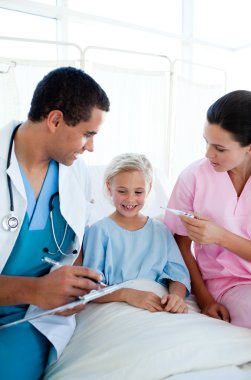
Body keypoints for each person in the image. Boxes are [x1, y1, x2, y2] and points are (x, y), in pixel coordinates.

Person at [0, 66, 110, 380]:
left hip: (29, 318)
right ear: (55, 120)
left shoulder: (76, 174)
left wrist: (68, 288)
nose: (90, 147)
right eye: (88, 134)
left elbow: (75, 244)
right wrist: (36, 289)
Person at [164, 90, 251, 329]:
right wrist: (205, 300)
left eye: (220, 148)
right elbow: (178, 246)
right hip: (228, 284)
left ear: (250, 148)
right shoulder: (193, 177)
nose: (208, 154)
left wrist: (219, 236)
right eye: (206, 141)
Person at [83, 153, 190, 313]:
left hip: (158, 303)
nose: (130, 199)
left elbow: (178, 276)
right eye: (122, 191)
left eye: (138, 192)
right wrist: (127, 294)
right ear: (108, 186)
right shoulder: (99, 231)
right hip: (117, 304)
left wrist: (176, 297)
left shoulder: (160, 230)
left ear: (149, 189)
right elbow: (89, 286)